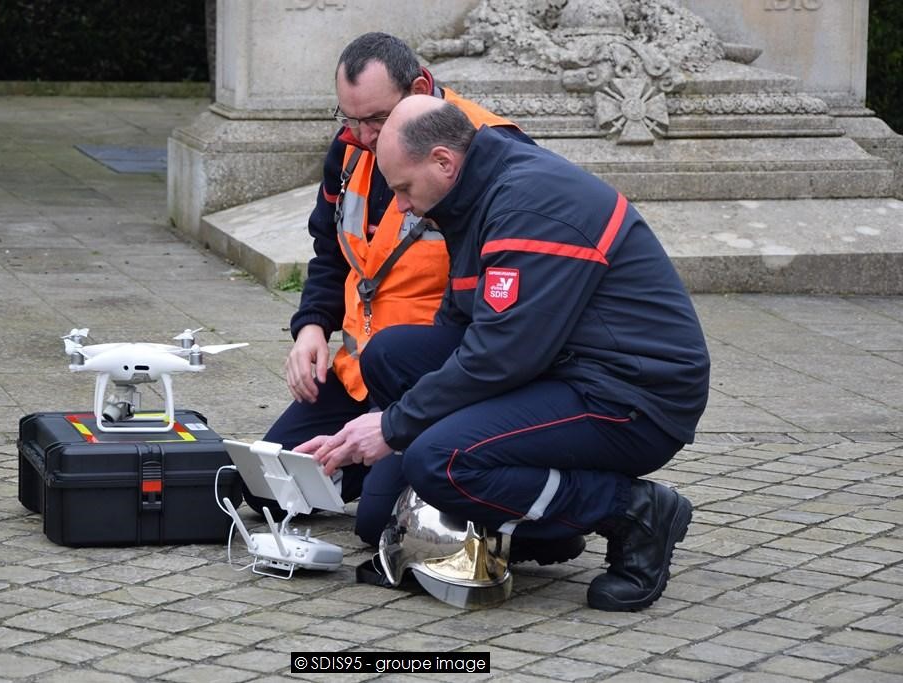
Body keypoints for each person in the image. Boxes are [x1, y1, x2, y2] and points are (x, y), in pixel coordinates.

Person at [300, 95, 711, 612]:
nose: (400, 205)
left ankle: (633, 512)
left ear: (444, 161)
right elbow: (458, 327)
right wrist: (388, 420)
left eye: (403, 188)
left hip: (634, 397)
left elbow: (501, 355)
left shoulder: (528, 204)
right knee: (391, 355)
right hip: (563, 367)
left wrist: (392, 426)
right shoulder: (473, 195)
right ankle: (537, 526)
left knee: (443, 463)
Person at [245, 33, 559, 555]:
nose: (364, 136)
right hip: (359, 370)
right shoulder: (350, 149)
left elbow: (510, 313)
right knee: (269, 489)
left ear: (417, 89)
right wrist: (310, 329)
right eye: (350, 119)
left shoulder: (482, 149)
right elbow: (331, 251)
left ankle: (490, 508)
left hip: (429, 374)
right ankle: (372, 469)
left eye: (375, 120)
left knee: (376, 526)